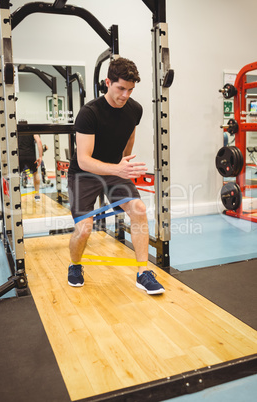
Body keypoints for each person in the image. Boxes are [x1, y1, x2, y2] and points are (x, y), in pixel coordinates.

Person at [67, 57, 165, 295]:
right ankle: (75, 265)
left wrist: (125, 163)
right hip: (84, 175)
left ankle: (143, 273)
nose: (125, 95)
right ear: (108, 82)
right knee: (85, 229)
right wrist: (117, 169)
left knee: (139, 210)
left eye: (130, 90)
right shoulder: (89, 113)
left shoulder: (135, 109)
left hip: (115, 170)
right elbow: (84, 160)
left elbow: (129, 135)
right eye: (121, 88)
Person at [18, 131, 43, 201]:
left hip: (20, 155)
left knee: (17, 175)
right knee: (35, 173)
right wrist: (40, 156)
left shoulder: (16, 131)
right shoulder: (32, 131)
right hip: (31, 155)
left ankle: (16, 194)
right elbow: (39, 141)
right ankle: (37, 194)